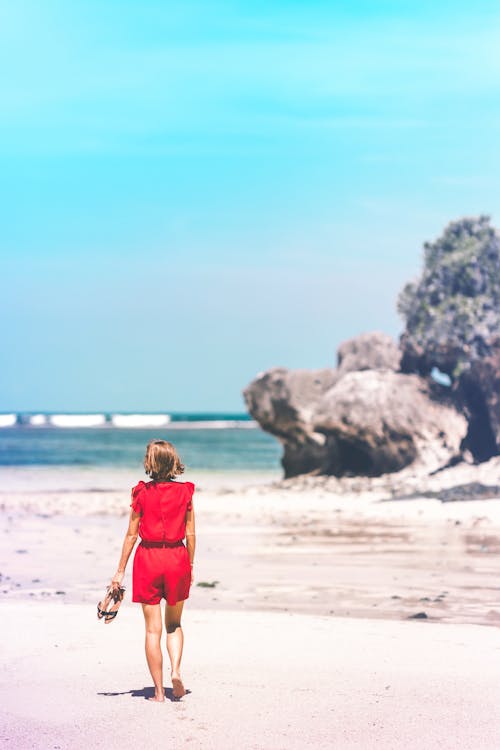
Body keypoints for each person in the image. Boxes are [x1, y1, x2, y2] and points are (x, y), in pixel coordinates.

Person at [110, 439, 196, 702]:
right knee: (174, 624)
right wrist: (189, 566)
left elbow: (131, 535)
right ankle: (177, 671)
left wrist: (119, 571)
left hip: (148, 559)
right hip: (176, 557)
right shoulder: (186, 492)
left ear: (149, 463)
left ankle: (158, 692)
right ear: (173, 462)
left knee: (152, 630)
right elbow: (191, 534)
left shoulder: (140, 492)